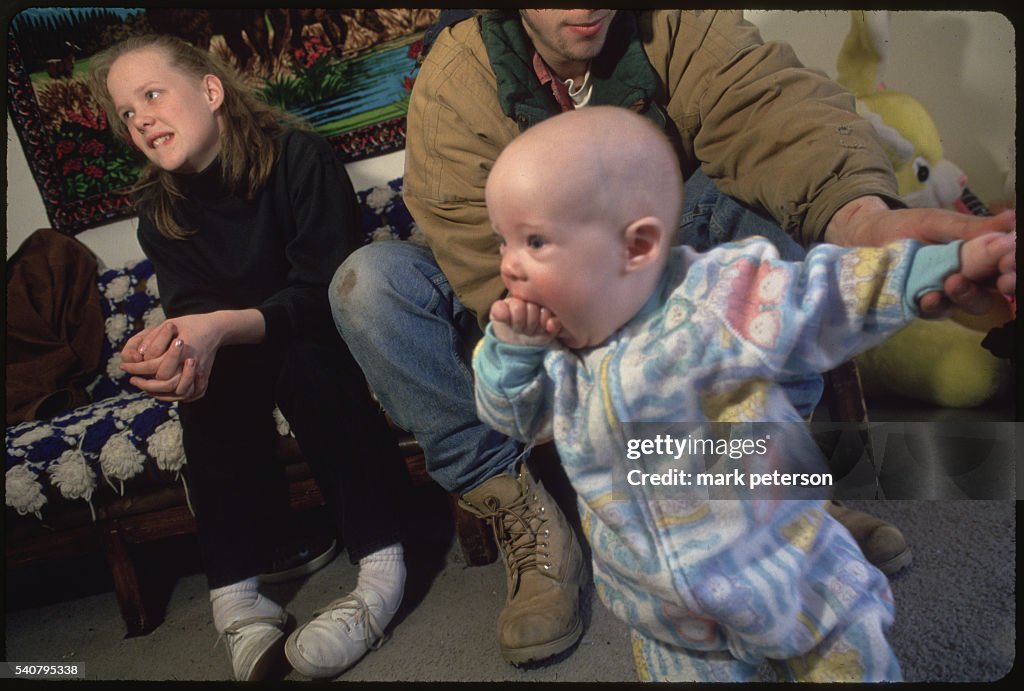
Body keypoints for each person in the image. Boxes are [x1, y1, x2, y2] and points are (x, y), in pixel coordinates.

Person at [330, 10, 1016, 665]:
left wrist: (882, 238)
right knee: (365, 284)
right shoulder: (457, 81)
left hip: (658, 273)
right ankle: (526, 516)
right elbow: (500, 314)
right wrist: (531, 334)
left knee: (771, 189)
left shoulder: (677, 24)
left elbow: (771, 113)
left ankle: (779, 475)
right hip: (565, 340)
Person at [472, 105, 1015, 682]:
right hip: (667, 616)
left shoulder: (719, 298)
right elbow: (512, 418)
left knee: (848, 661)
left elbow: (830, 292)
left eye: (534, 240)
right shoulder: (550, 350)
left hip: (783, 570)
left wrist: (942, 265)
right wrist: (510, 351)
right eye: (503, 241)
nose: (510, 266)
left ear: (637, 247)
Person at [89, 35, 409, 681]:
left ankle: (383, 566)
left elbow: (326, 289)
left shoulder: (299, 154)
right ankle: (236, 596)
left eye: (152, 94)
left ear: (210, 91)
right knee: (202, 382)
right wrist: (171, 349)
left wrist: (215, 327)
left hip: (316, 325)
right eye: (126, 112)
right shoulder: (158, 207)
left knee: (306, 362)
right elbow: (195, 307)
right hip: (238, 345)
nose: (140, 118)